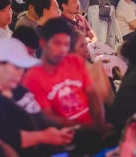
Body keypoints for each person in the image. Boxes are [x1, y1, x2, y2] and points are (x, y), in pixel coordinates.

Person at [0, 37, 75, 155]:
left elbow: (37, 117)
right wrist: (44, 137)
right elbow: (5, 138)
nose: (21, 72)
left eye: (23, 68)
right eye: (17, 67)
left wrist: (58, 132)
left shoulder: (17, 88)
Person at [22, 18, 112, 155]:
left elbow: (93, 95)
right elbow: (49, 117)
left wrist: (100, 122)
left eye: (66, 44)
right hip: (68, 136)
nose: (62, 50)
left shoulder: (74, 61)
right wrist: (88, 127)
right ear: (43, 43)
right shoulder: (33, 78)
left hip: (93, 127)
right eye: (57, 43)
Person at [70, 31, 114, 106]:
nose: (86, 50)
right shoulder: (68, 74)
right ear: (70, 49)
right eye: (82, 46)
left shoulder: (96, 68)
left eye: (86, 45)